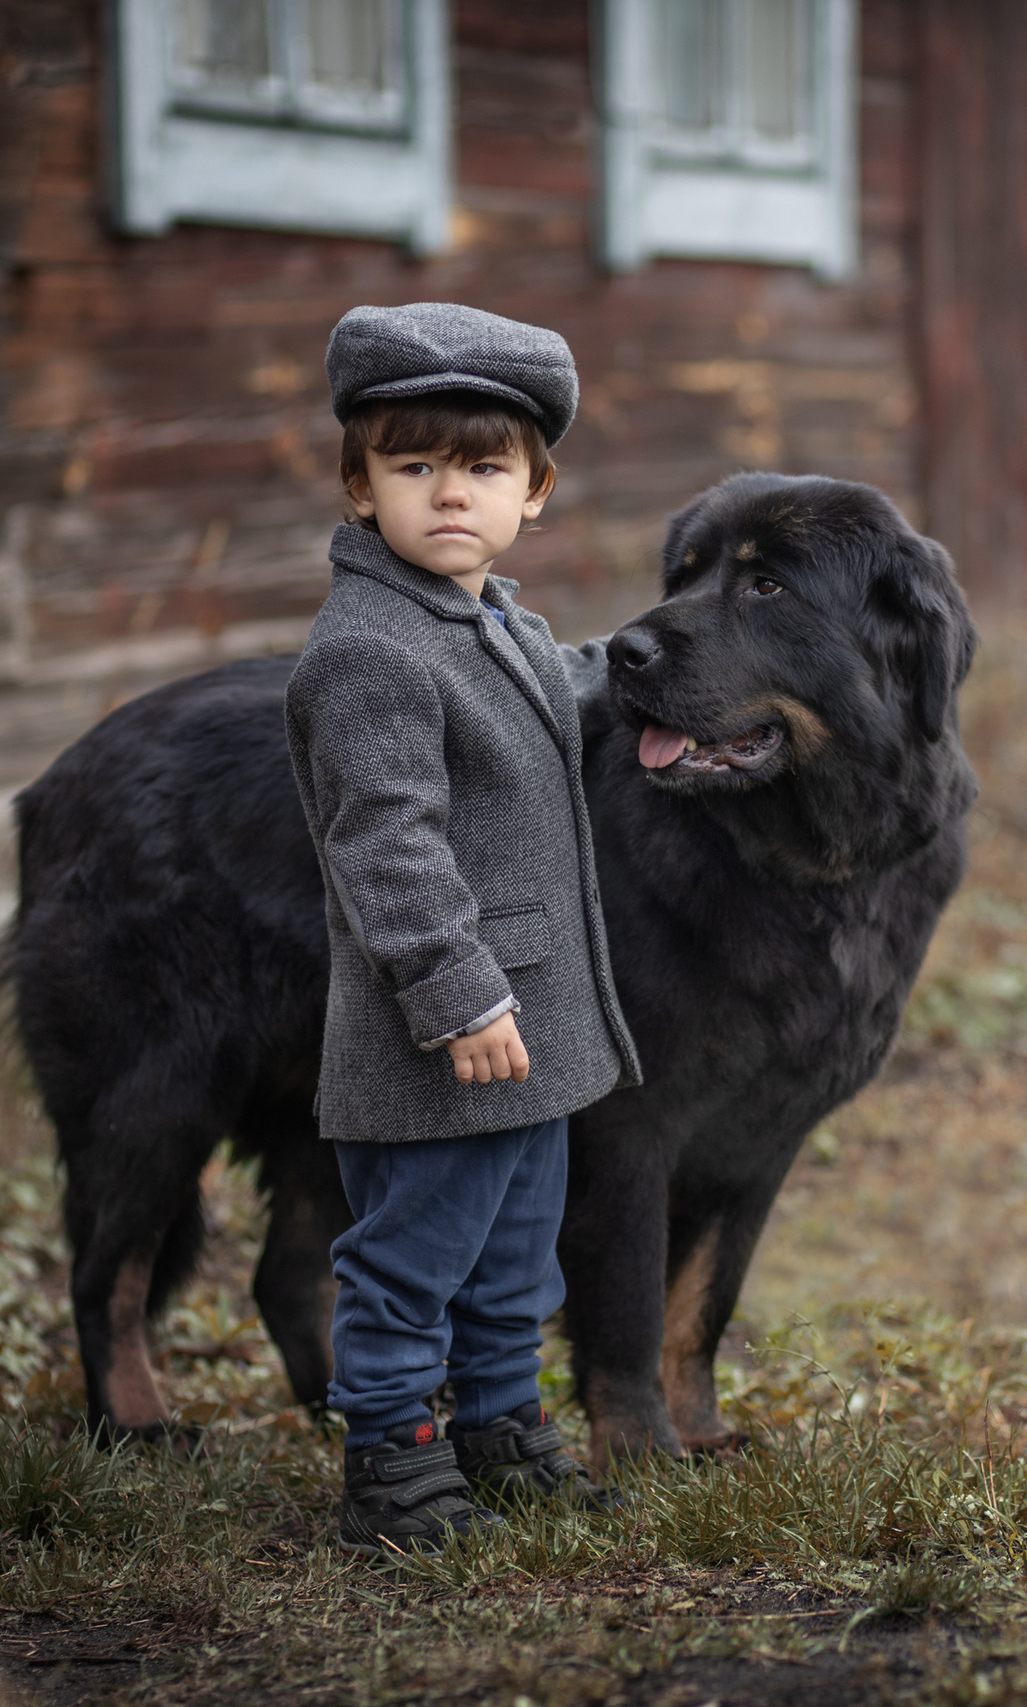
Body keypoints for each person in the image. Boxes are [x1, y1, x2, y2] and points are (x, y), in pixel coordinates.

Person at [285, 302, 644, 1556]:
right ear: (358, 482)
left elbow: (565, 686)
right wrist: (456, 991)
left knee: (514, 1260)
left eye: (483, 467)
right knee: (411, 1258)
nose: (450, 495)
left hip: (530, 1033)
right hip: (444, 1039)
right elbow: (385, 845)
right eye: (414, 465)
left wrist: (661, 665)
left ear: (535, 490)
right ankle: (391, 1453)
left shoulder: (493, 622)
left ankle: (498, 1424)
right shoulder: (369, 653)